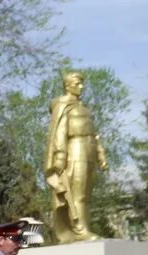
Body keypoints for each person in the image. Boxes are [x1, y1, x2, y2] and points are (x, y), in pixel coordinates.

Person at [43, 71, 107, 243]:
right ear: (68, 85)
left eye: (82, 83)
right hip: (75, 149)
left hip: (89, 149)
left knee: (86, 195)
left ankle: (84, 227)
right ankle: (80, 230)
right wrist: (59, 156)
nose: (82, 86)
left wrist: (101, 152)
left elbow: (94, 133)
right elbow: (59, 131)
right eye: (78, 83)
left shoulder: (84, 107)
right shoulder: (62, 105)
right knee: (77, 193)